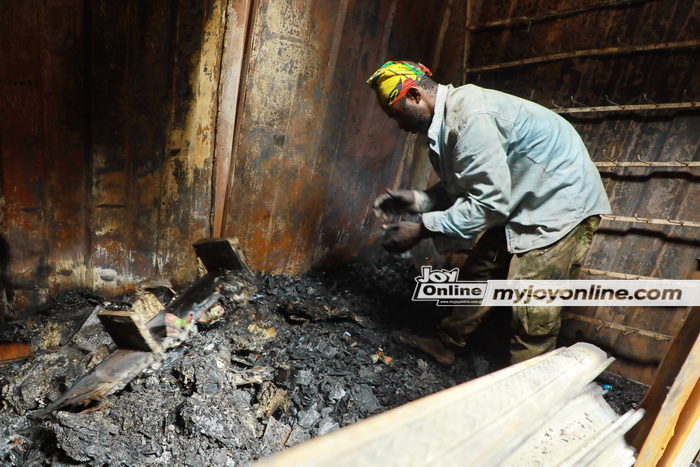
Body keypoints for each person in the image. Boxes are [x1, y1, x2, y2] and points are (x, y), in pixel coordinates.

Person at [367, 61, 611, 366]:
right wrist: (415, 200)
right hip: (521, 199)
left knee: (533, 309)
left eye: (396, 114)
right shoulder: (447, 122)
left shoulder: (471, 119)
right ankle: (446, 345)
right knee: (481, 272)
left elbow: (489, 203)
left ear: (415, 95)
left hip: (557, 207)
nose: (398, 124)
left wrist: (421, 230)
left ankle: (527, 387)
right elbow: (464, 187)